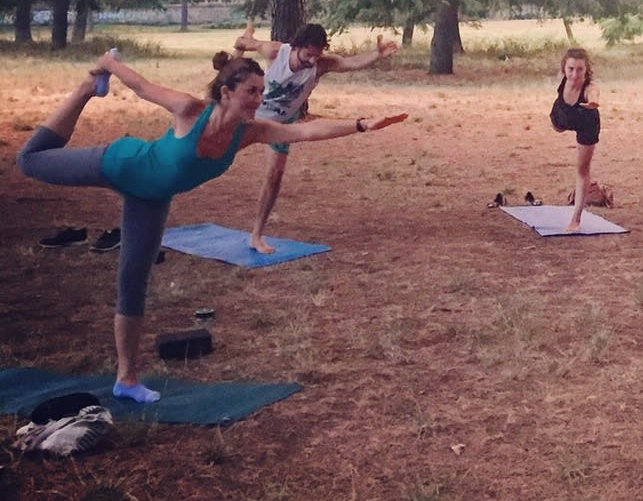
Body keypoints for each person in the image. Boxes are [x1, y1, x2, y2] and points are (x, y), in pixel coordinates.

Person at [16, 48, 406, 402]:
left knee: (133, 282)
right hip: (120, 163)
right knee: (29, 161)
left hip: (150, 198)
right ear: (226, 94)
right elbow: (142, 86)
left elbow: (302, 131)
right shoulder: (189, 110)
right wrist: (108, 65)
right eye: (252, 92)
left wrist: (359, 124)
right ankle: (85, 89)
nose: (260, 99)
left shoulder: (250, 133)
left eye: (261, 91)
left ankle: (128, 379)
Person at [232, 21, 399, 253]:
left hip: (281, 125)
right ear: (296, 46)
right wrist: (239, 47)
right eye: (307, 55)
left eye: (316, 55)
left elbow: (349, 63)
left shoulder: (320, 64)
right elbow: (242, 44)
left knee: (275, 175)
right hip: (251, 118)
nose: (312, 61)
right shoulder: (275, 51)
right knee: (219, 156)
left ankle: (256, 236)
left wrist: (376, 54)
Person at [550, 47, 601, 233]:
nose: (574, 74)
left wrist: (593, 102)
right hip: (563, 114)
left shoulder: (589, 87)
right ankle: (561, 125)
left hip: (586, 122)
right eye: (571, 69)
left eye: (580, 70)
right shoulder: (564, 79)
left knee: (582, 169)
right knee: (556, 127)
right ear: (564, 68)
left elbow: (594, 93)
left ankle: (576, 218)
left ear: (586, 70)